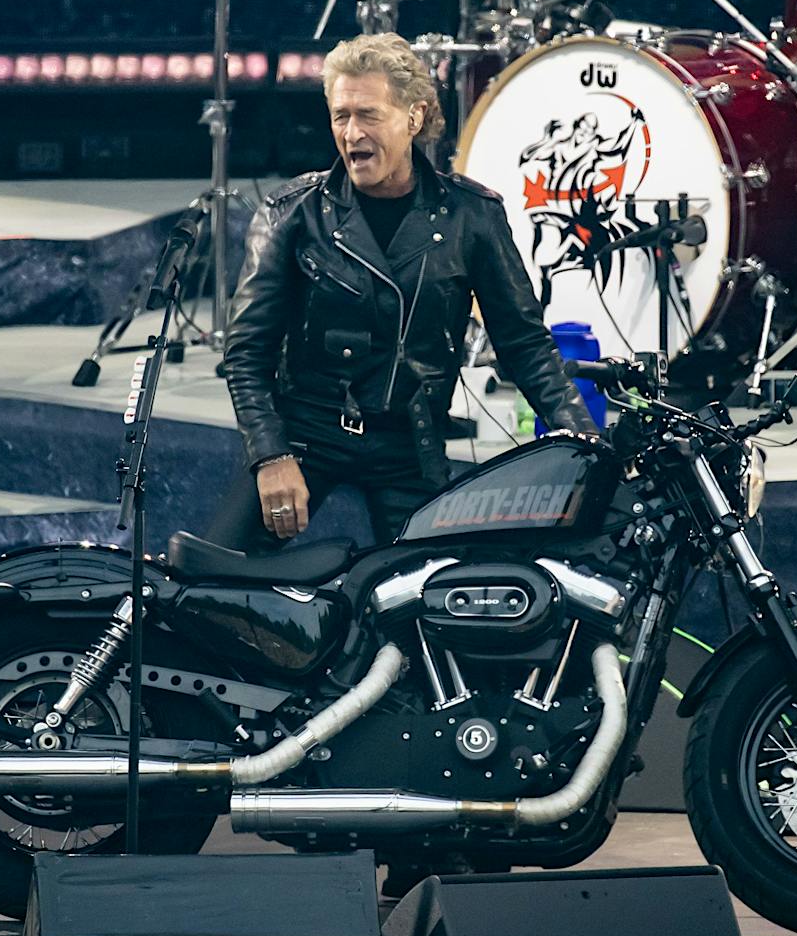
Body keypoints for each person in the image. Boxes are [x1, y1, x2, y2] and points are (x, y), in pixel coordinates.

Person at [214, 32, 593, 550]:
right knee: (209, 574)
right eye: (340, 115)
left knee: (433, 602)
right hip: (308, 434)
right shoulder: (291, 213)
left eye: (368, 115)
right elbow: (245, 356)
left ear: (414, 118)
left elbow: (523, 342)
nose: (351, 133)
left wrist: (584, 437)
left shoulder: (472, 216)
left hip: (409, 443)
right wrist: (271, 454)